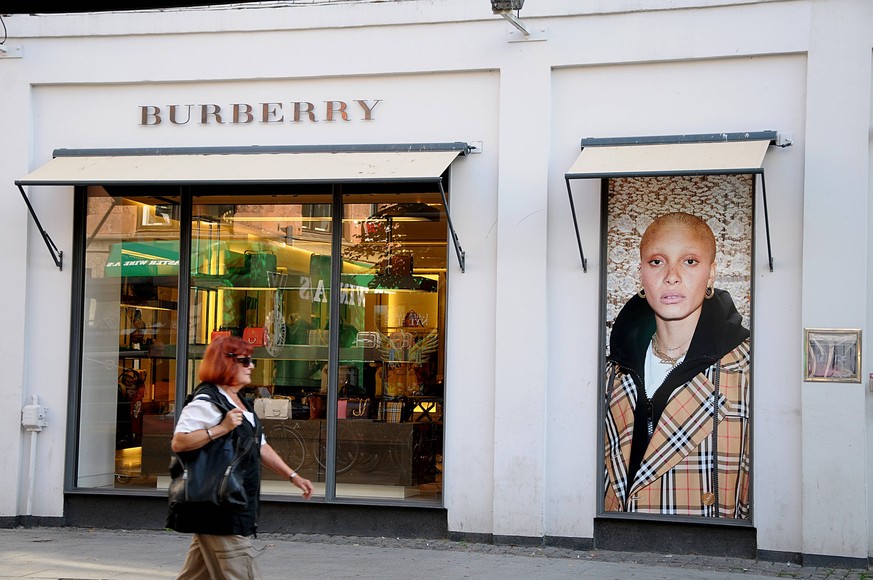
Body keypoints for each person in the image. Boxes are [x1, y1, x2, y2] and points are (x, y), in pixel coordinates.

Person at [603, 211, 751, 518]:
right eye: (657, 261)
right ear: (640, 273)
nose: (672, 276)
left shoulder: (749, 372)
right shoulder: (610, 372)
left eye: (689, 261)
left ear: (711, 273)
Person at [167, 335, 314, 579]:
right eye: (245, 361)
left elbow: (259, 446)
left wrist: (293, 476)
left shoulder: (240, 401)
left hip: (224, 505)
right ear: (226, 364)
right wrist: (220, 429)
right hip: (220, 507)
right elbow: (179, 441)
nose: (251, 366)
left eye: (251, 361)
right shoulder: (206, 401)